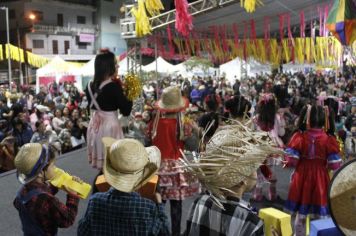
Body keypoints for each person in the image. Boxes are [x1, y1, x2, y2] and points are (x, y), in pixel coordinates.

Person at [183, 124, 284, 236]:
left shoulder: (200, 202)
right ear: (242, 180)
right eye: (254, 168)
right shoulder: (252, 222)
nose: (256, 172)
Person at [78, 138, 169, 236]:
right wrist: (159, 205)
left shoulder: (95, 201)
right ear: (142, 175)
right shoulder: (147, 207)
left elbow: (82, 232)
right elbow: (165, 232)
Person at [148, 86, 200, 236]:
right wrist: (196, 130)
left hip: (156, 169)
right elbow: (193, 146)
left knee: (158, 205)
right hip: (176, 170)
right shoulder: (184, 124)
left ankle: (157, 232)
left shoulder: (154, 123)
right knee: (176, 207)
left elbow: (148, 143)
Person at [284, 105, 342, 236]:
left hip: (301, 177)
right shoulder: (329, 139)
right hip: (321, 178)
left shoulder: (299, 137)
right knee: (319, 214)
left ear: (307, 118)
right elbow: (334, 165)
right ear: (325, 120)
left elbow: (291, 160)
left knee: (301, 213)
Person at [13, 143, 81, 236]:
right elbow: (67, 220)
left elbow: (36, 197)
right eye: (53, 165)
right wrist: (73, 195)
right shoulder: (48, 200)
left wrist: (55, 185)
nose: (55, 168)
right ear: (40, 172)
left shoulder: (21, 193)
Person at [85, 50, 132, 170]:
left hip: (95, 126)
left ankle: (102, 184)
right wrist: (130, 94)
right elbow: (126, 111)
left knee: (104, 166)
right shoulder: (113, 87)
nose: (118, 66)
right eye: (115, 63)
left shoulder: (89, 85)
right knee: (113, 164)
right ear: (108, 66)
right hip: (109, 127)